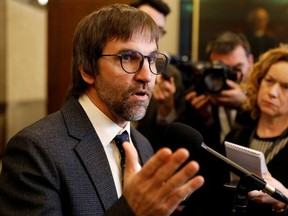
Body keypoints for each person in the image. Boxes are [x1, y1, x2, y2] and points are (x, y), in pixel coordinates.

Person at [0, 4, 204, 215]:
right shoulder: (35, 151)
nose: (147, 76)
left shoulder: (142, 145)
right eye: (128, 57)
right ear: (88, 69)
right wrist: (131, 211)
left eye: (151, 59)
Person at [180, 31, 254, 215]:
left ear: (251, 61)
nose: (228, 79)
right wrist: (204, 119)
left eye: (236, 70)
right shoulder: (198, 94)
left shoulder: (260, 97)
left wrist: (245, 104)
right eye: (221, 70)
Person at [224, 47, 288, 215]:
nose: (272, 92)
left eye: (286, 87)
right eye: (269, 80)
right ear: (259, 81)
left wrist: (284, 199)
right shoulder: (237, 135)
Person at [130, 0, 185, 152]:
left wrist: (165, 111)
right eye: (146, 25)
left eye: (158, 29)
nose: (153, 34)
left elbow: (174, 142)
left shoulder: (171, 75)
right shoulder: (110, 64)